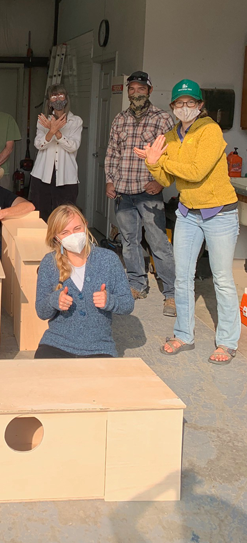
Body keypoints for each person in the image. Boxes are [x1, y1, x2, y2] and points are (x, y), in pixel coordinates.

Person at [134, 79, 241, 365]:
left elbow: (195, 172)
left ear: (200, 106)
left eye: (190, 103)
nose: (184, 108)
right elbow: (167, 181)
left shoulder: (211, 131)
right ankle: (183, 334)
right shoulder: (170, 136)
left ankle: (228, 342)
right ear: (172, 107)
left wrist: (159, 160)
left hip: (219, 213)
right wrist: (152, 162)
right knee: (182, 276)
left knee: (221, 278)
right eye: (179, 104)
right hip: (187, 213)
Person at [104, 71, 177, 316]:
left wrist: (161, 182)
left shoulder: (162, 119)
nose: (136, 93)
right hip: (123, 192)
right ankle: (137, 284)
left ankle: (171, 294)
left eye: (140, 88)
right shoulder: (120, 119)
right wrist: (109, 180)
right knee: (129, 242)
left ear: (150, 90)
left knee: (159, 243)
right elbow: (112, 152)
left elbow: (171, 155)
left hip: (149, 192)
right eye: (132, 89)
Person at [35, 204, 134, 358]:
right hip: (56, 343)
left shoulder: (109, 260)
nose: (73, 236)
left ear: (86, 226)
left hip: (99, 347)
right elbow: (41, 312)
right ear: (56, 237)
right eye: (65, 232)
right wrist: (55, 301)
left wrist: (110, 301)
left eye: (77, 229)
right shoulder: (49, 263)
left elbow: (128, 304)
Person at [29, 84, 82, 222]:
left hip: (67, 177)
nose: (57, 100)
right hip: (42, 176)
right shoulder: (43, 121)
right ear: (49, 101)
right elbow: (38, 144)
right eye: (54, 96)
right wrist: (50, 131)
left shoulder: (75, 121)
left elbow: (73, 146)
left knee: (65, 217)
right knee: (40, 215)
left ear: (66, 98)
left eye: (61, 95)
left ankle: (61, 243)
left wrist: (56, 132)